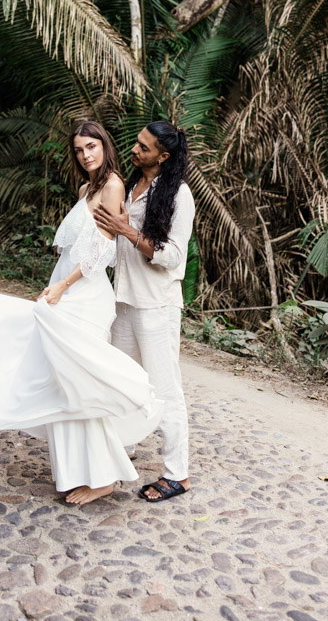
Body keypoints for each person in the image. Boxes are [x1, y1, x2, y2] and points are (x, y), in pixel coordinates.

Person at [0, 120, 162, 505]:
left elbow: (102, 251)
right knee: (62, 382)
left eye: (91, 146)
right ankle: (79, 471)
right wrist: (55, 283)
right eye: (79, 150)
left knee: (78, 382)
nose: (86, 155)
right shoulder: (85, 189)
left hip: (85, 291)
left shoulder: (113, 184)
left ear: (104, 146)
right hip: (63, 286)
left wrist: (63, 285)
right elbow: (74, 248)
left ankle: (103, 478)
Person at [93, 120, 195, 502]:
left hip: (156, 305)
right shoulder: (131, 185)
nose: (135, 150)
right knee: (122, 380)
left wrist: (129, 231)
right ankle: (124, 445)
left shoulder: (178, 195)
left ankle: (177, 474)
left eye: (144, 147)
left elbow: (173, 256)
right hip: (123, 300)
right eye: (136, 142)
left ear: (163, 156)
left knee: (165, 389)